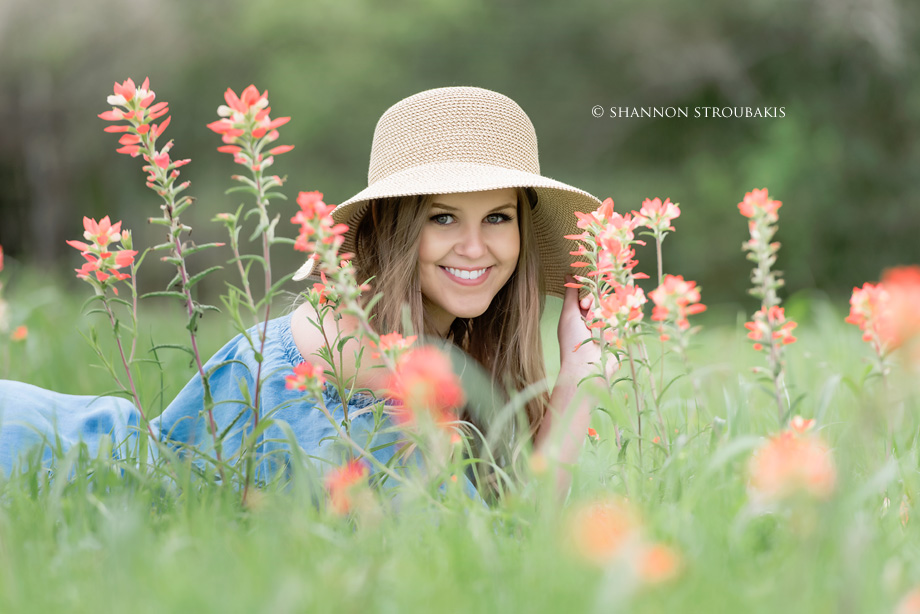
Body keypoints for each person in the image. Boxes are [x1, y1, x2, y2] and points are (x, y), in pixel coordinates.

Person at [0, 86, 605, 499]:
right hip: (44, 458)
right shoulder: (371, 380)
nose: (475, 247)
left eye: (497, 217)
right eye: (441, 218)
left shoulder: (408, 347)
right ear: (395, 229)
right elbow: (506, 557)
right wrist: (580, 382)